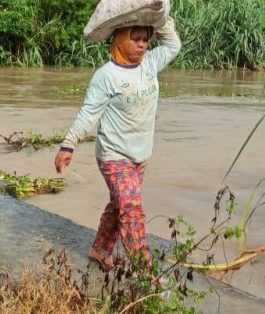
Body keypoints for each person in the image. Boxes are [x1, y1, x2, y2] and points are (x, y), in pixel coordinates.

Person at [54, 18, 181, 271]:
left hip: (141, 155)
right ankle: (144, 272)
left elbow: (173, 45)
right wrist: (69, 145)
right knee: (131, 208)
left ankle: (99, 250)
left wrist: (161, 19)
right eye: (136, 38)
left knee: (118, 205)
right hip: (113, 155)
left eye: (146, 39)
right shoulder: (106, 76)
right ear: (121, 39)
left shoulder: (150, 64)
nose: (142, 45)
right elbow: (89, 113)